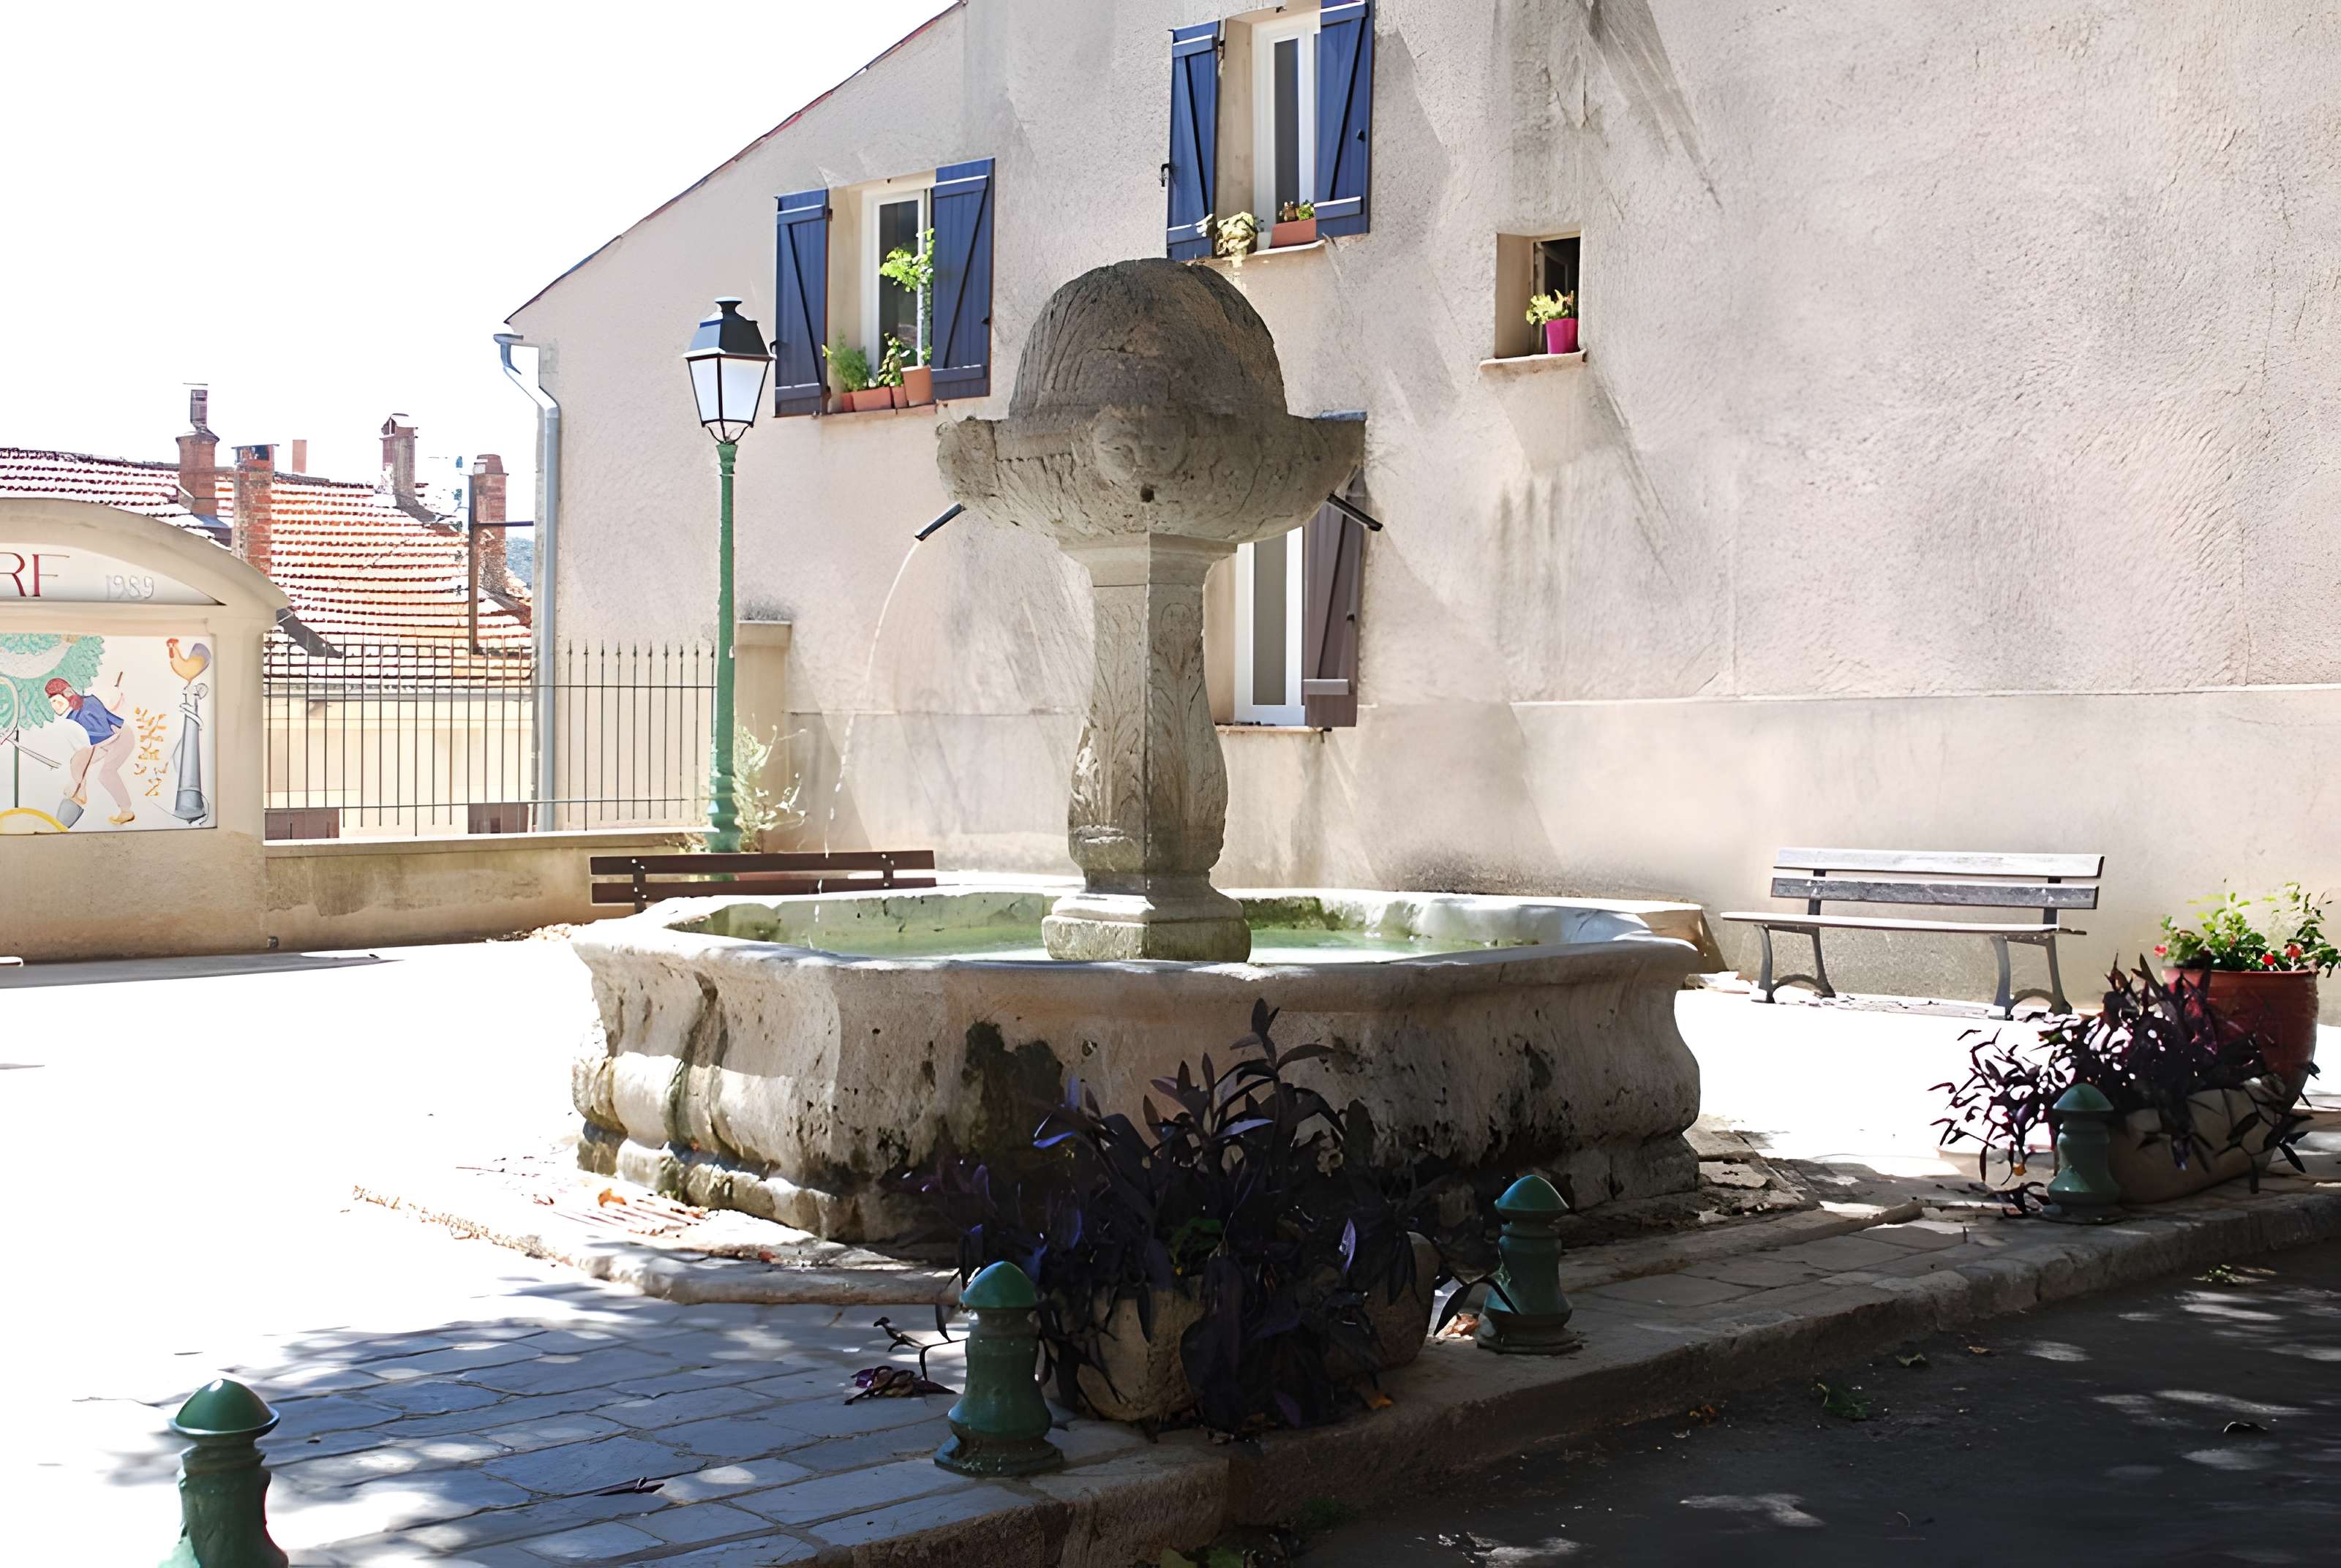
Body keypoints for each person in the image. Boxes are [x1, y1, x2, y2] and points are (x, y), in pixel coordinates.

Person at [45, 675, 135, 825]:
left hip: (121, 738)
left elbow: (101, 737)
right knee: (77, 761)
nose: (54, 706)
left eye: (56, 700)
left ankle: (126, 811)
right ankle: (78, 796)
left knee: (106, 773)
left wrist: (78, 783)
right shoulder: (72, 716)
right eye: (51, 703)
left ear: (67, 694)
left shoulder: (88, 705)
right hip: (106, 742)